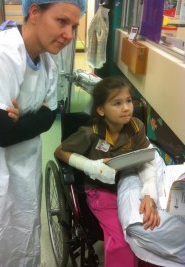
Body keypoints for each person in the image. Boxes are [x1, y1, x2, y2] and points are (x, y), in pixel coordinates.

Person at [0, 0, 86, 266]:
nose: (69, 34)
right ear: (34, 12)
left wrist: (24, 118)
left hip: (23, 170)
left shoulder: (47, 63)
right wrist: (33, 116)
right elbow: (3, 134)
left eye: (74, 25)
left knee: (20, 239)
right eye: (61, 21)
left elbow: (49, 116)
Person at [55, 76, 160, 267]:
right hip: (100, 189)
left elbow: (145, 161)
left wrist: (149, 194)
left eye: (128, 101)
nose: (127, 108)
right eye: (117, 103)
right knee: (122, 243)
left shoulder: (136, 127)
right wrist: (90, 166)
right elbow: (60, 151)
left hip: (128, 182)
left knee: (148, 232)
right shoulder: (89, 134)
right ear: (101, 110)